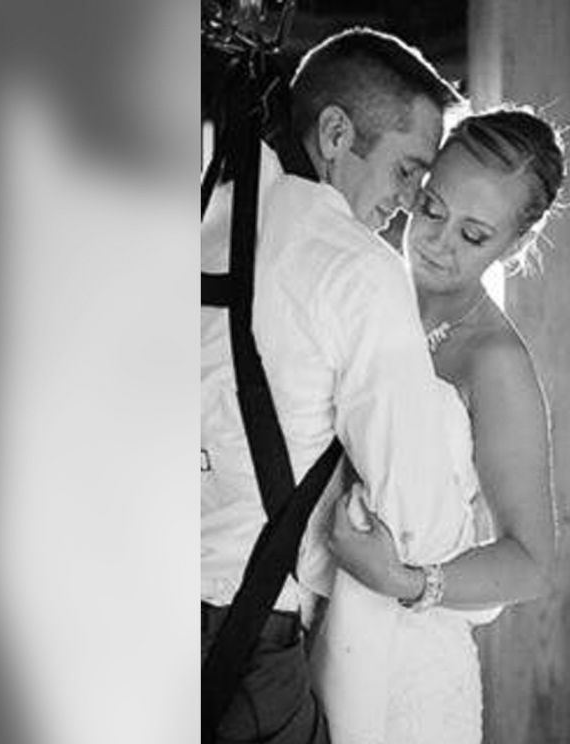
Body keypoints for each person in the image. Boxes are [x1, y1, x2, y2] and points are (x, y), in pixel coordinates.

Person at [201, 28, 469, 743]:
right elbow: (417, 514)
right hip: (242, 636)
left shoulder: (196, 212)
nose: (411, 202)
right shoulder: (354, 265)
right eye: (407, 169)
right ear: (335, 132)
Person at [303, 108, 564, 744]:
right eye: (431, 207)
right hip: (304, 622)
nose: (436, 241)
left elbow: (531, 560)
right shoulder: (361, 287)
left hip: (409, 661)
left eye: (474, 235)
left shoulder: (492, 361)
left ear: (515, 245)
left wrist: (406, 582)